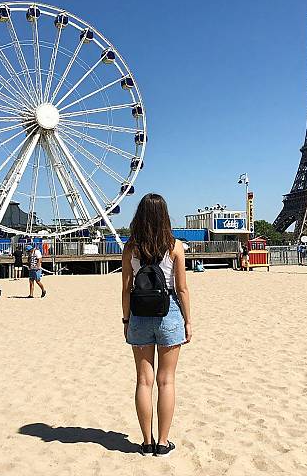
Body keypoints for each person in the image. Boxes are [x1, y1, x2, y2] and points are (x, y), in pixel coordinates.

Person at [121, 193, 191, 457]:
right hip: (169, 313)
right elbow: (181, 288)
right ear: (165, 216)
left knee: (143, 381)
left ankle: (146, 441)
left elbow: (126, 289)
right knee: (166, 381)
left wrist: (126, 320)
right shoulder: (174, 247)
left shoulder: (131, 248)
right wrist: (188, 321)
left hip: (139, 315)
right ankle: (163, 442)